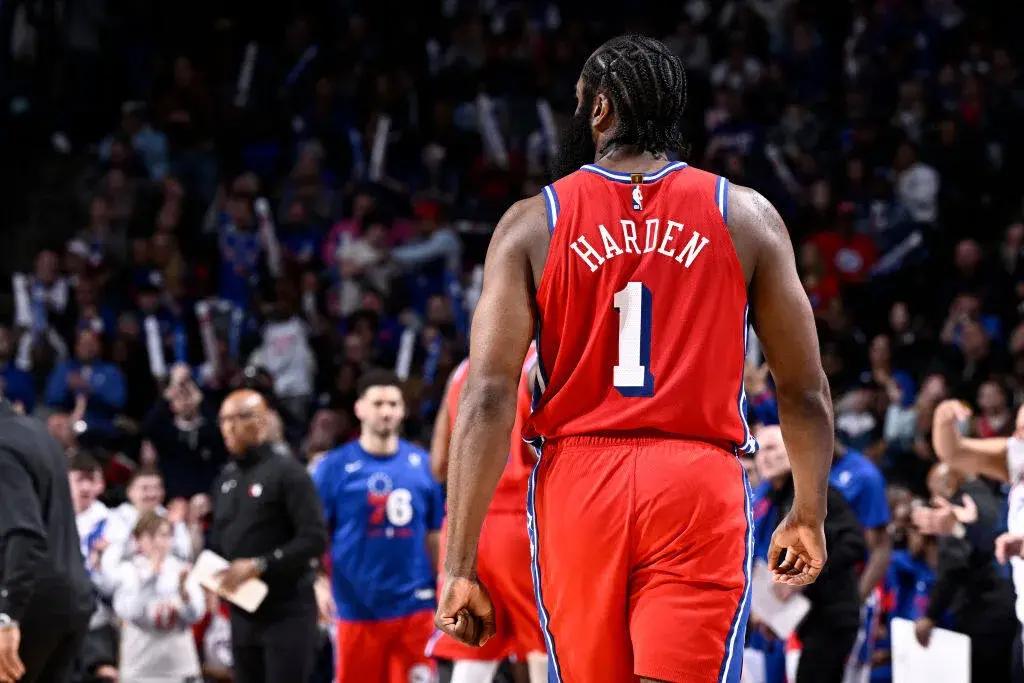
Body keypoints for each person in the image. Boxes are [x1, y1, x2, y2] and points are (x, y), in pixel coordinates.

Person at [436, 35, 834, 682]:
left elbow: (486, 397)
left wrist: (458, 566)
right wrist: (808, 513)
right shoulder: (746, 215)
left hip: (578, 483)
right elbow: (804, 389)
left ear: (598, 110)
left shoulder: (531, 223)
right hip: (695, 479)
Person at [312, 370, 444, 683]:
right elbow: (315, 535)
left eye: (393, 404)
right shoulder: (332, 468)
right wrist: (318, 582)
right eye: (378, 404)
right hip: (355, 606)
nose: (386, 412)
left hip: (415, 607)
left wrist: (443, 583)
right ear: (359, 408)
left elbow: (435, 534)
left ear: (403, 410)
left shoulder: (424, 466)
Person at [427, 351, 547, 683]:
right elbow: (542, 448)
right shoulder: (537, 361)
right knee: (542, 641)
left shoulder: (462, 370)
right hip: (519, 520)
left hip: (464, 525)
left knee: (474, 645)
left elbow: (438, 464)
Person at [210, 389, 327, 683]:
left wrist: (260, 564)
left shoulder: (289, 473)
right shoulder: (225, 479)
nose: (229, 427)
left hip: (287, 611)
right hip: (243, 610)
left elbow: (314, 539)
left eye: (239, 418)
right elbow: (220, 541)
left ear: (262, 421)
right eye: (224, 420)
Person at [750, 425, 866, 682]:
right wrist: (772, 615)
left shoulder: (816, 493)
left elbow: (854, 544)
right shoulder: (775, 499)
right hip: (808, 619)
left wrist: (805, 575)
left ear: (793, 451)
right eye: (760, 450)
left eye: (772, 448)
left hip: (833, 616)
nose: (764, 457)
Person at [927, 399, 1023, 681]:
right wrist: (942, 418)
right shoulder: (1018, 459)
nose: (1018, 440)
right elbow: (954, 452)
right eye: (1018, 431)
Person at [0, 396, 94, 683]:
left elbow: (25, 534)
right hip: (71, 600)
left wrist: (7, 617)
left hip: (27, 608)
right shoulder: (38, 433)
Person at [111, 511, 206, 683]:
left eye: (165, 535)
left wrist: (185, 596)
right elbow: (131, 613)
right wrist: (152, 577)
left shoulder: (182, 570)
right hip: (140, 670)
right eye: (151, 536)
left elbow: (196, 615)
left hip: (180, 670)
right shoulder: (126, 571)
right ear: (138, 539)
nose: (159, 542)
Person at [141, 362, 228, 501]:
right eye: (179, 397)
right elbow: (148, 427)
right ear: (171, 404)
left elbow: (221, 431)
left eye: (188, 396)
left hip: (208, 497)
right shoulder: (166, 431)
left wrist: (200, 399)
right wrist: (172, 388)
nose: (185, 402)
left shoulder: (209, 429)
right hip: (174, 498)